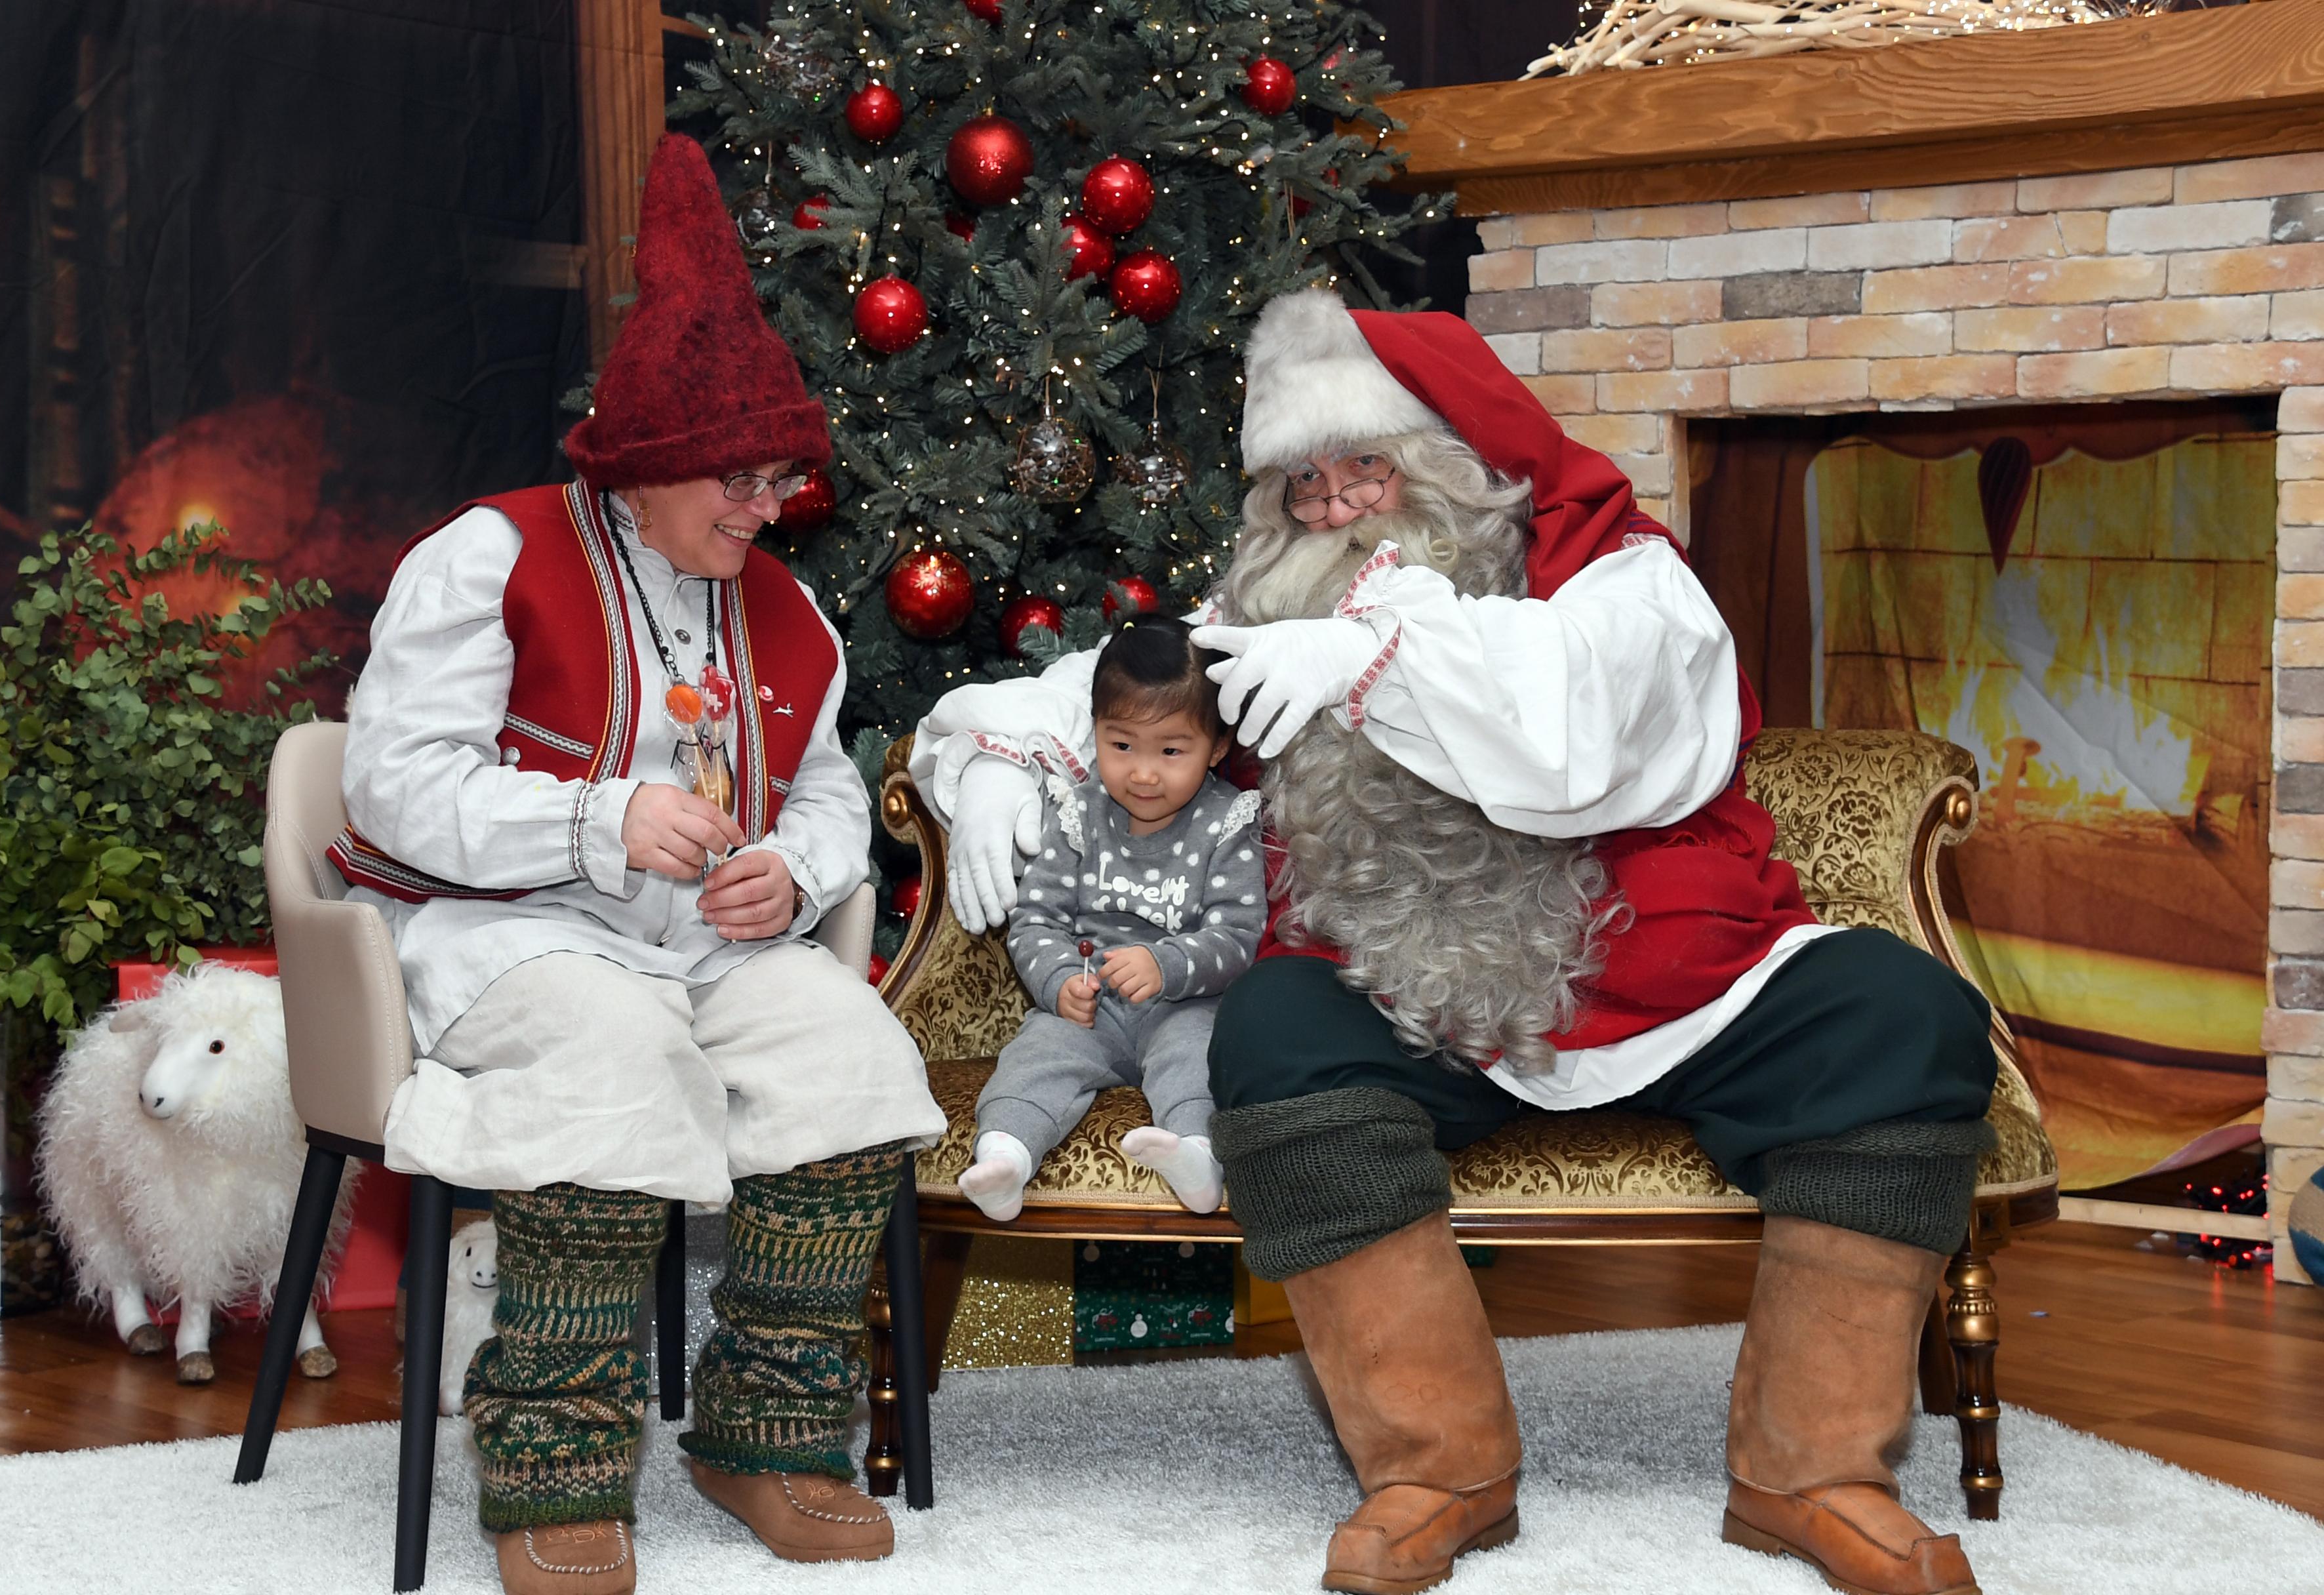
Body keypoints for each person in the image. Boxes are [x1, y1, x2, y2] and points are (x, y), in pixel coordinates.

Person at [910, 288, 1996, 1595]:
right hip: (1406, 988)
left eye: (1361, 466)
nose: (1332, 507)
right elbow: (1121, 685)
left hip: (1665, 973)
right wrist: (990, 760)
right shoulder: (1269, 608)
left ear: (1454, 466)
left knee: (1900, 1010)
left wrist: (1369, 654)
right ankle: (1438, 1465)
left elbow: (1574, 736)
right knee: (1275, 1029)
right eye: (1301, 484)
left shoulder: (1621, 574)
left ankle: (1812, 1470)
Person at [337, 134, 946, 1595]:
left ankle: (765, 1434)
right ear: (650, 465)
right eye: (737, 479)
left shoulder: (792, 615)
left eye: (779, 478)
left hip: (706, 949)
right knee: (609, 1058)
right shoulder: (488, 557)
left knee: (851, 1055)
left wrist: (792, 879)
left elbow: (822, 801)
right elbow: (391, 785)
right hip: (500, 938)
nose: (763, 506)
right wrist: (592, 820)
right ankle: (554, 1463)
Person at [957, 618, 1265, 1222]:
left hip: (1185, 1004)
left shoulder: (1226, 822)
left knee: (1196, 1058)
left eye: (1172, 752)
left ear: (1218, 748)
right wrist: (1059, 983)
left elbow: (1239, 938)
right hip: (1090, 1002)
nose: (1144, 773)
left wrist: (1166, 963)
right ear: (1096, 730)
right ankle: (1006, 1157)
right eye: (1121, 745)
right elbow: (1036, 918)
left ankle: (1197, 1158)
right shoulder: (1080, 811)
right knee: (1037, 1056)